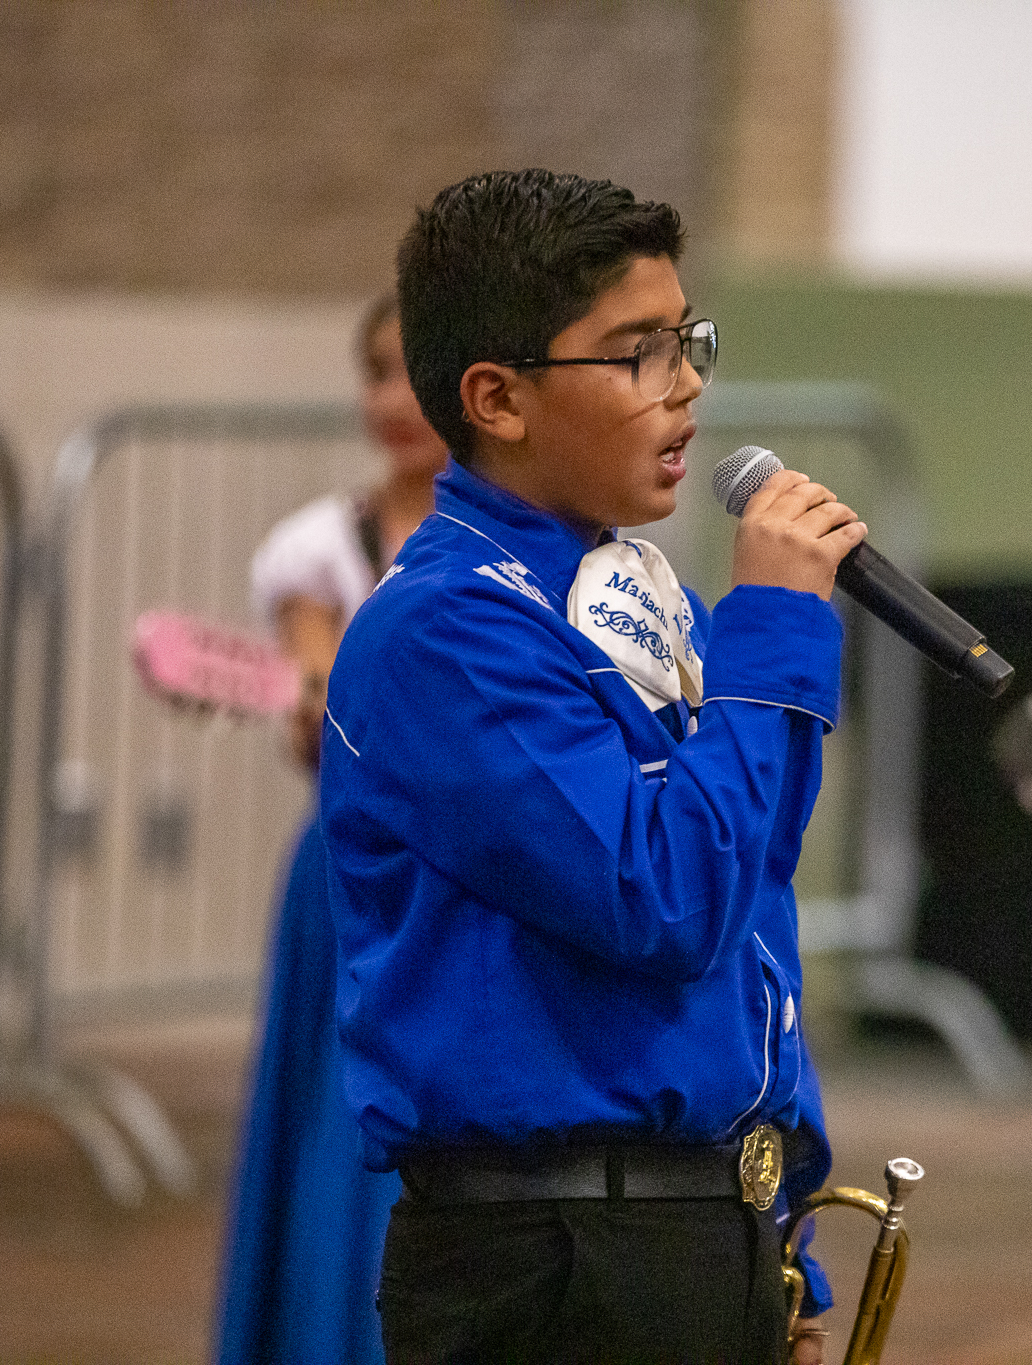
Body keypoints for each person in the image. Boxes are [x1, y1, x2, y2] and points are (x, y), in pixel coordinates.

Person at [319, 169, 862, 1364]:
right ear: (498, 399)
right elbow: (661, 898)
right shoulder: (444, 631)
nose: (685, 389)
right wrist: (774, 623)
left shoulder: (639, 603)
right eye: (635, 355)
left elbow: (749, 919)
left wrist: (782, 1225)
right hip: (554, 1258)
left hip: (695, 1225)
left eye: (687, 343)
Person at [215, 292, 446, 1365]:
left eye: (415, 372)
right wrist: (322, 706)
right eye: (374, 373)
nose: (391, 400)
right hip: (359, 883)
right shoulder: (320, 549)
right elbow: (313, 734)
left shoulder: (543, 544)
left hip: (480, 884)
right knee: (344, 1133)